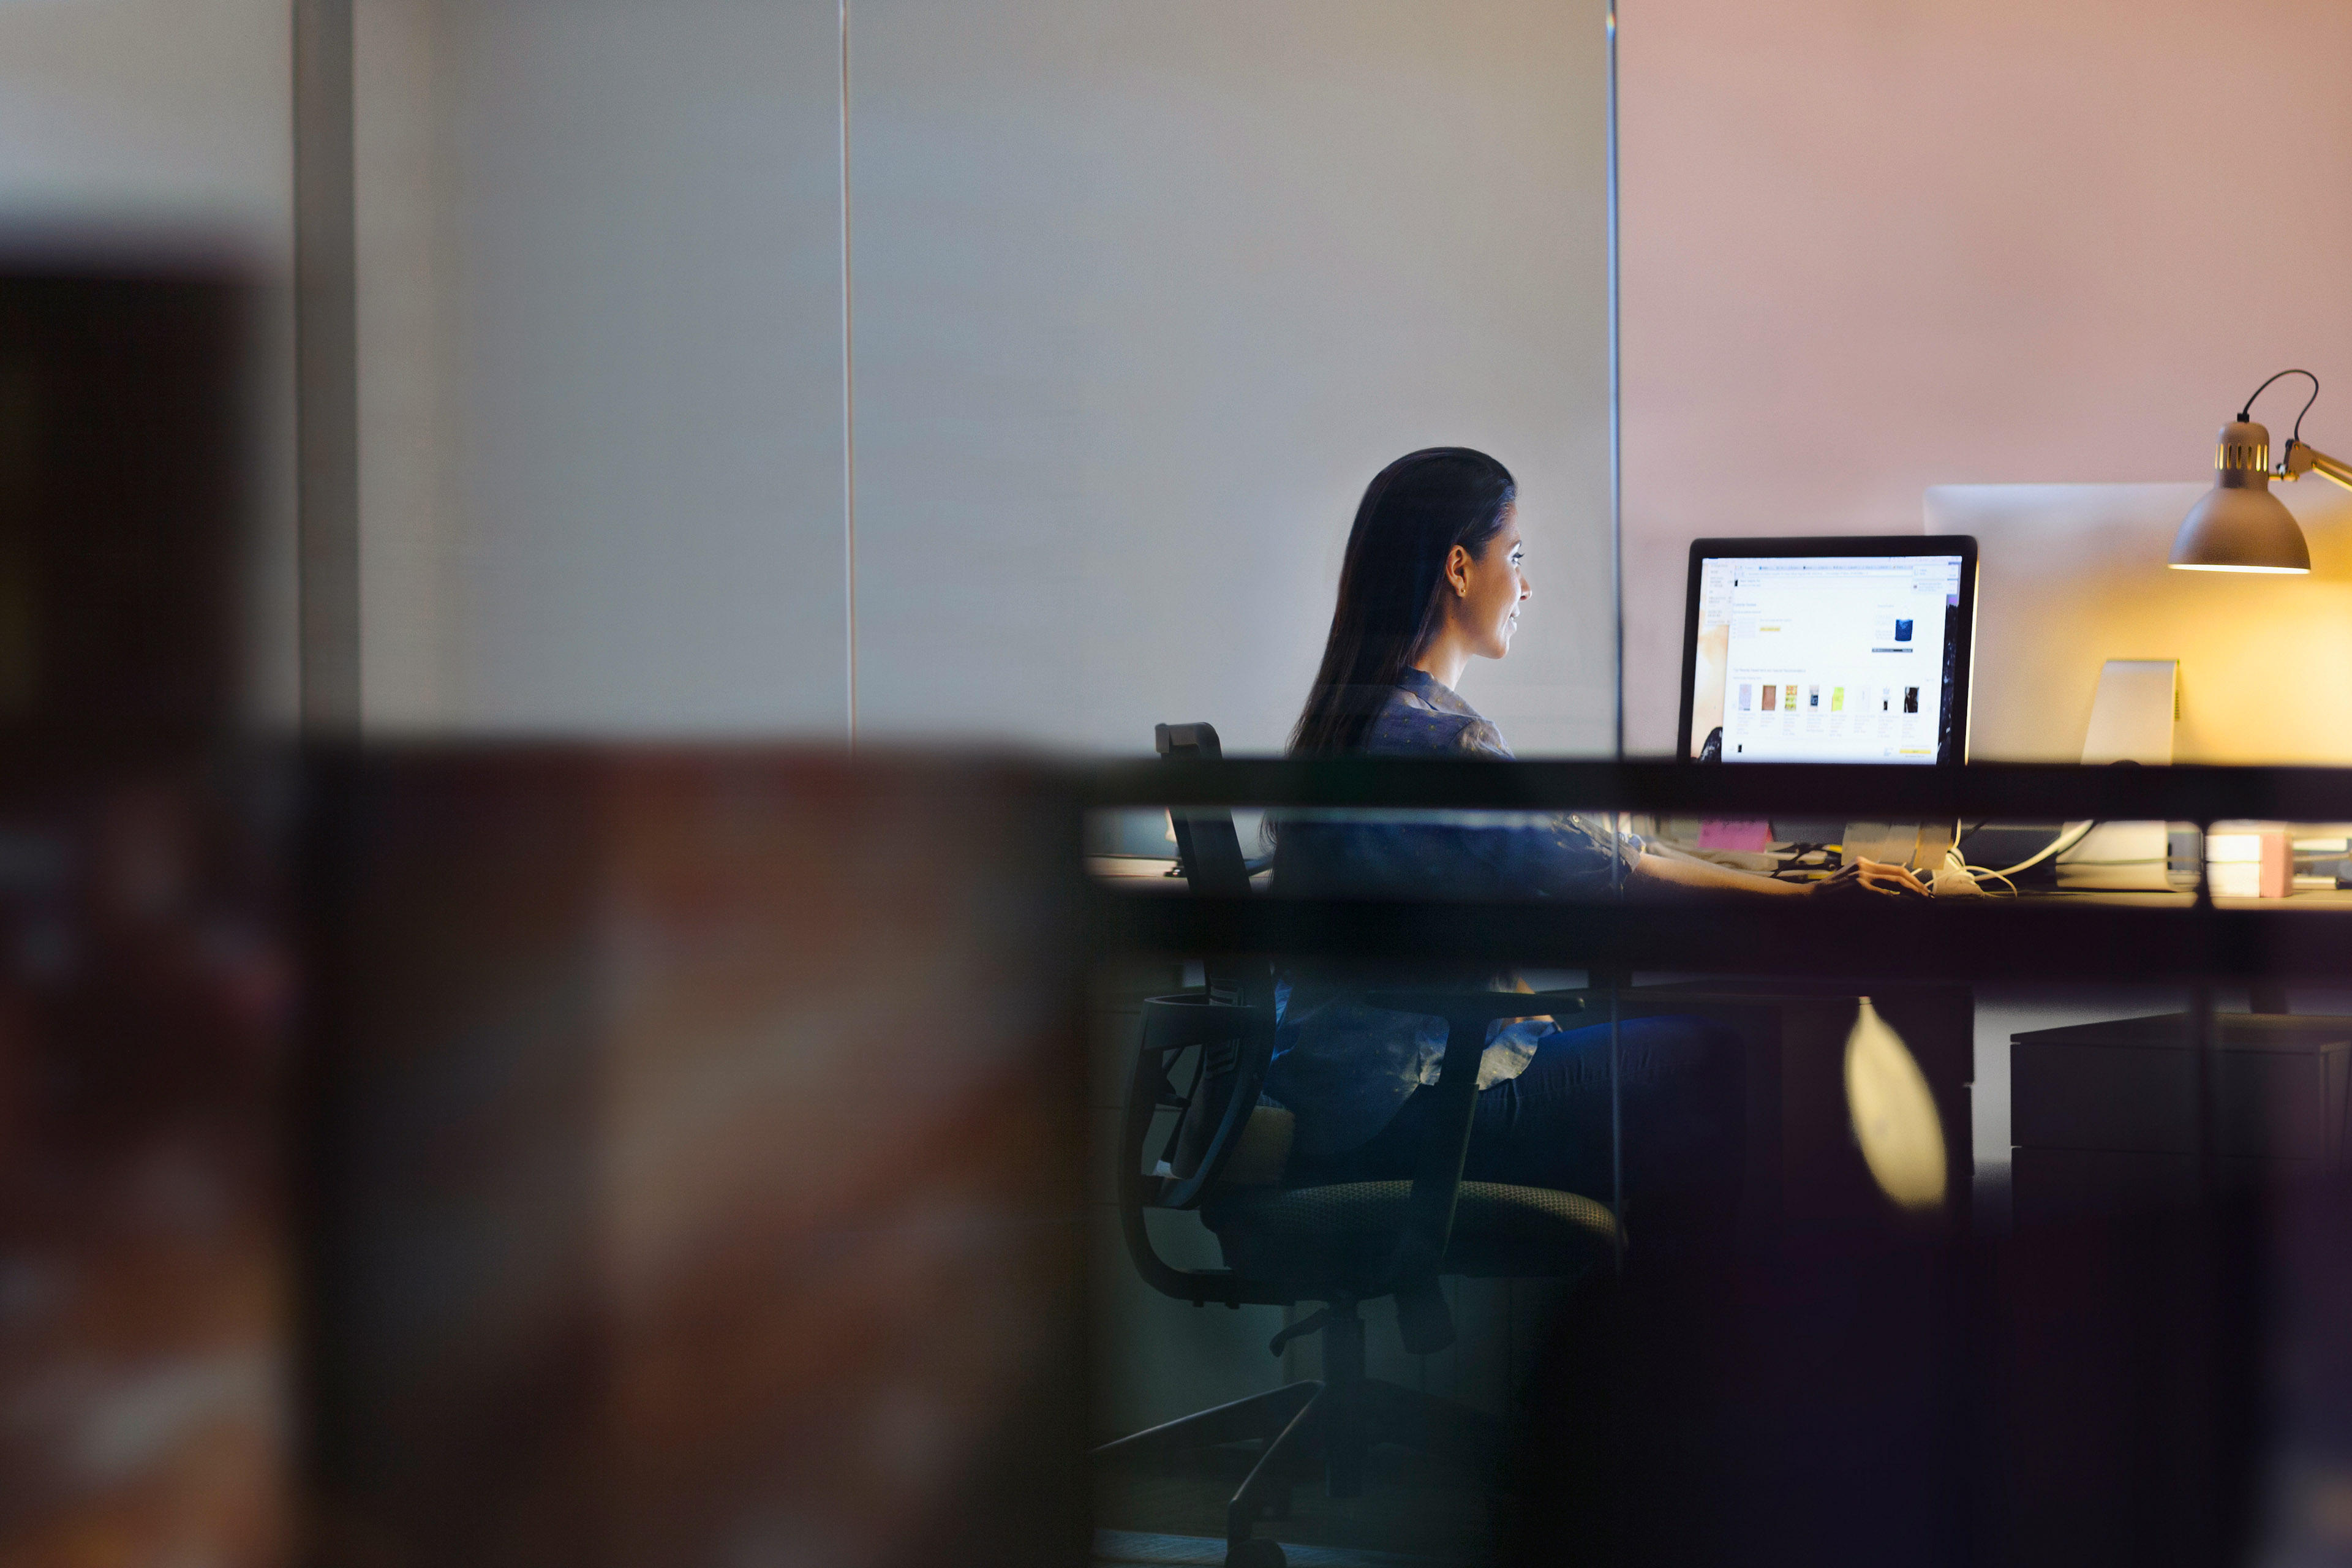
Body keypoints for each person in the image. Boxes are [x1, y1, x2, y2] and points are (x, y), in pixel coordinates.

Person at [1266, 447, 1927, 1254]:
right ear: (1459, 568)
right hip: (1413, 1115)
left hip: (1339, 1110)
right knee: (1715, 1055)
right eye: (1515, 557)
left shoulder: (1352, 726)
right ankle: (1692, 1357)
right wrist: (1816, 898)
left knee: (1637, 1033)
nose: (1526, 585)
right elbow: (1614, 871)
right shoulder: (1445, 742)